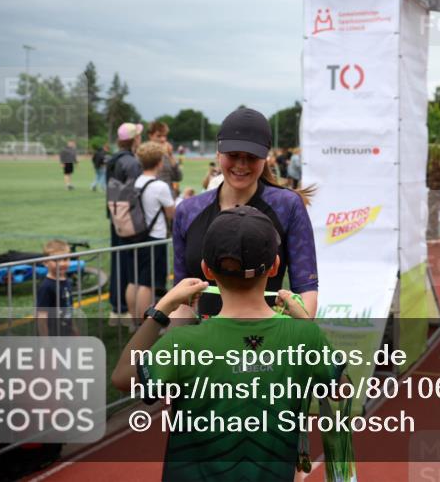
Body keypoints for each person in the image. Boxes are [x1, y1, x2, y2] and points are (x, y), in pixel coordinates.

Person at [111, 206, 339, 481]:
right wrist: (303, 320)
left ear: (207, 270)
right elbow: (341, 389)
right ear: (276, 266)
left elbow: (123, 376)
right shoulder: (304, 336)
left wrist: (162, 309)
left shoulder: (182, 343)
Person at [173, 107, 319, 318]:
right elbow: (182, 299)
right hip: (205, 345)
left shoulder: (287, 205)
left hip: (268, 343)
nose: (241, 165)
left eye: (251, 157)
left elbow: (306, 288)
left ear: (265, 158)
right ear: (218, 153)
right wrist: (174, 344)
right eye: (233, 155)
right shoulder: (188, 211)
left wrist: (295, 333)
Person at [125, 141, 176, 325]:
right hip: (154, 237)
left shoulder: (135, 182)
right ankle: (143, 325)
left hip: (135, 235)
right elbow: (172, 213)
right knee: (147, 283)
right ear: (160, 162)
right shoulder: (159, 186)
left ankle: (133, 321)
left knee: (133, 280)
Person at [106, 122, 144, 326]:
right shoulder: (131, 162)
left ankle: (116, 307)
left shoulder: (114, 159)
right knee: (128, 264)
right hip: (128, 218)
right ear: (134, 139)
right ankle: (124, 309)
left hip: (115, 216)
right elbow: (134, 194)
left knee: (118, 260)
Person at [36, 239, 78, 337]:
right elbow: (42, 315)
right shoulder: (46, 286)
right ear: (45, 262)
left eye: (65, 259)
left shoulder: (66, 281)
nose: (62, 264)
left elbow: (69, 307)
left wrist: (73, 328)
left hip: (65, 331)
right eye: (56, 260)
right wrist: (45, 340)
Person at [148, 121, 184, 196]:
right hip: (152, 197)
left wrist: (170, 156)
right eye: (159, 136)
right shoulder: (143, 155)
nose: (163, 139)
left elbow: (178, 177)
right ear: (150, 136)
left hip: (168, 198)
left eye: (165, 136)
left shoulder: (166, 155)